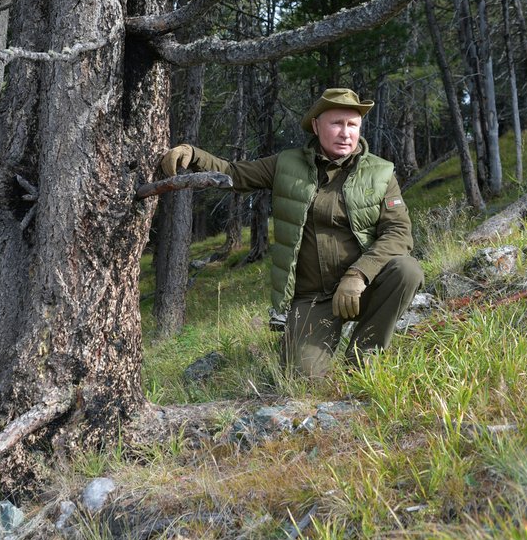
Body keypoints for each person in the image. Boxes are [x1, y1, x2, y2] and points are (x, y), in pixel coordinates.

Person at [159, 87, 423, 377]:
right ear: (316, 125)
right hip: (313, 297)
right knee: (302, 378)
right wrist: (193, 155)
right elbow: (235, 173)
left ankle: (363, 362)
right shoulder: (287, 164)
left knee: (406, 270)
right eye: (336, 123)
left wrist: (359, 273)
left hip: (364, 288)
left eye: (352, 125)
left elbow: (398, 233)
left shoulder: (381, 172)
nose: (345, 133)